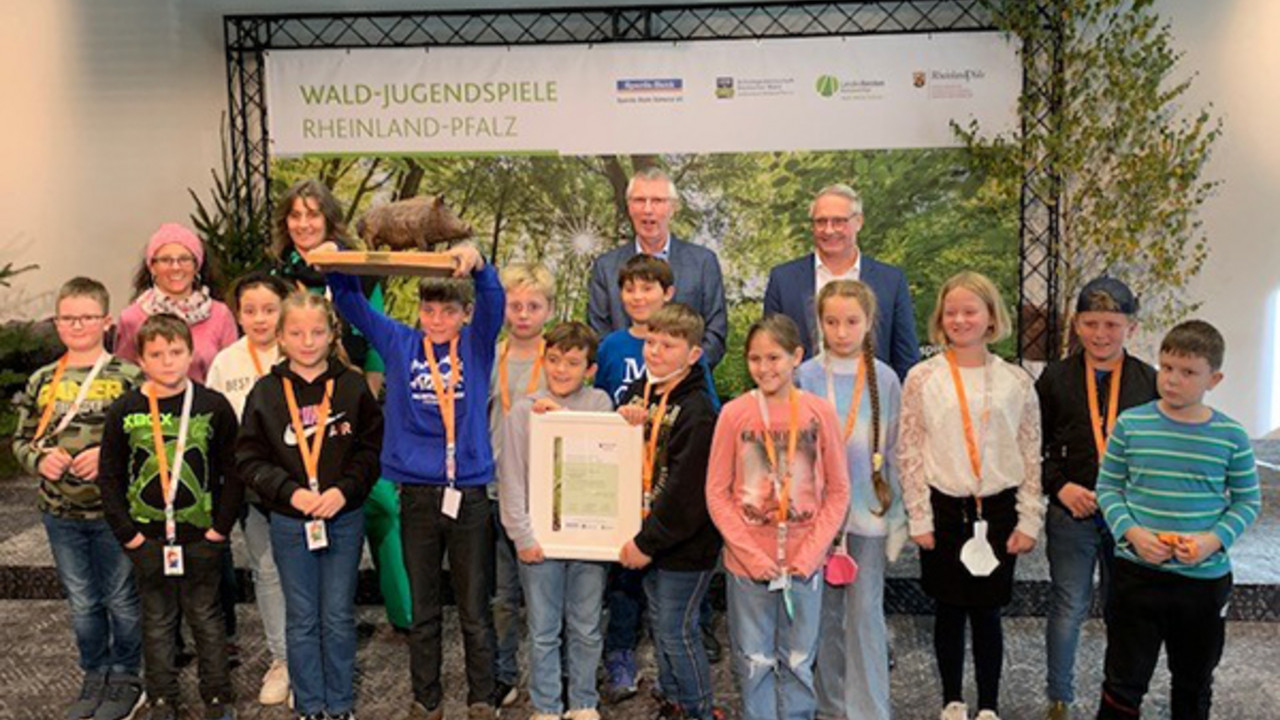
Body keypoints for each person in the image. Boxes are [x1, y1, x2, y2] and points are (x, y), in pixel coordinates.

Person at [322, 242, 503, 720]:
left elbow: (494, 298)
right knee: (424, 610)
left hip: (468, 495)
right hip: (418, 496)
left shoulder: (476, 345)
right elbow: (350, 303)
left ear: (466, 314)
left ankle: (481, 698)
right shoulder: (401, 344)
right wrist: (336, 262)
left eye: (448, 311)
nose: (437, 319)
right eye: (428, 309)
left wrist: (479, 263)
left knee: (473, 610)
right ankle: (426, 699)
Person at [1095, 320, 1261, 720]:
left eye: (1188, 372)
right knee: (1122, 683)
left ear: (1214, 379)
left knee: (1193, 682)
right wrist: (1133, 533)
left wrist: (1211, 541)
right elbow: (1108, 489)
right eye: (1167, 367)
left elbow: (1246, 501)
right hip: (1137, 574)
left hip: (1202, 582)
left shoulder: (1231, 436)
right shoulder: (1131, 425)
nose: (1172, 380)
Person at [898, 271, 1043, 720]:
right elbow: (910, 451)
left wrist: (1028, 519)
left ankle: (990, 706)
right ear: (941, 318)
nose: (960, 319)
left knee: (987, 613)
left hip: (998, 511)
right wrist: (918, 518)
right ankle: (952, 701)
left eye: (970, 311)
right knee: (948, 610)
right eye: (952, 311)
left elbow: (1029, 451)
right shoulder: (923, 378)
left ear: (990, 317)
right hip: (944, 509)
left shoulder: (1016, 381)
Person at [237, 291, 384, 720]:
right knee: (301, 617)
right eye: (296, 333)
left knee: (338, 615)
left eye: (317, 332)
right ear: (280, 337)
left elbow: (370, 450)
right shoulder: (266, 392)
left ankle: (339, 706)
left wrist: (344, 491)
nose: (307, 341)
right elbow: (248, 458)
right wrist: (290, 492)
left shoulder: (352, 386)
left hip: (343, 515)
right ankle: (311, 705)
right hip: (289, 519)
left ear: (331, 333)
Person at [271, 179, 410, 633]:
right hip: (294, 413)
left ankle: (405, 615)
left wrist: (364, 397)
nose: (304, 223)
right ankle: (327, 621)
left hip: (353, 404)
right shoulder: (275, 276)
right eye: (296, 215)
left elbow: (374, 339)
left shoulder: (356, 269)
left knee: (382, 505)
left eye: (313, 214)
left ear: (330, 219)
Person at [11, 277, 145, 720]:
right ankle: (94, 672)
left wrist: (108, 457)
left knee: (122, 596)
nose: (78, 325)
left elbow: (148, 439)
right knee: (83, 599)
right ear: (56, 322)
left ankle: (128, 674)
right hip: (60, 512)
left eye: (88, 317)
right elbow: (22, 439)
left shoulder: (130, 376)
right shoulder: (42, 380)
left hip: (115, 513)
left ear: (107, 321)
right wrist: (37, 460)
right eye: (68, 318)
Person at [706, 313, 850, 720]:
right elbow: (717, 493)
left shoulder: (818, 413)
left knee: (800, 659)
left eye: (774, 357)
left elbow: (838, 492)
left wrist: (810, 553)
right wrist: (750, 554)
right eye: (755, 359)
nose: (765, 368)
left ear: (796, 357)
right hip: (748, 563)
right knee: (754, 660)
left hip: (806, 561)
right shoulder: (734, 414)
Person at [99, 314, 243, 720]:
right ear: (141, 359)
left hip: (201, 534)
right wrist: (130, 538)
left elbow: (233, 473)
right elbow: (109, 478)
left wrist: (219, 531)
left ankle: (217, 695)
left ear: (190, 353)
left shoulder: (212, 406)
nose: (167, 362)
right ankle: (162, 696)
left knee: (206, 616)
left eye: (176, 352)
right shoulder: (125, 409)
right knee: (158, 619)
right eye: (157, 354)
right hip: (146, 537)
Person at [1036, 278, 1157, 720]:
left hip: (1130, 518)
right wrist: (1059, 486)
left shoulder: (1150, 382)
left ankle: (1120, 698)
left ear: (1131, 326)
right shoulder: (1055, 378)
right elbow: (1035, 445)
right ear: (1076, 324)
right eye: (1091, 323)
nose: (1101, 334)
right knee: (1068, 604)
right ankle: (1059, 698)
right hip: (1073, 510)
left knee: (1123, 608)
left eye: (1111, 324)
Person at [797, 280, 904, 720]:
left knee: (864, 618)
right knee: (821, 619)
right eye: (832, 322)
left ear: (869, 323)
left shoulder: (885, 378)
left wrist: (898, 518)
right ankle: (829, 706)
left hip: (867, 519)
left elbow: (895, 450)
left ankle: (869, 710)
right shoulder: (803, 376)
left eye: (852, 322)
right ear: (819, 323)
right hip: (816, 522)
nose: (841, 332)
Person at [498, 321, 614, 720]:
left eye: (572, 362)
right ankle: (547, 706)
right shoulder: (523, 412)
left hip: (589, 539)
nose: (561, 370)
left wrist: (559, 418)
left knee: (585, 625)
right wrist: (521, 534)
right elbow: (511, 478)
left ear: (590, 369)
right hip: (539, 540)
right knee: (544, 629)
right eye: (554, 360)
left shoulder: (601, 404)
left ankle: (583, 702)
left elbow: (602, 461)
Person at [616, 303, 723, 720]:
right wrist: (623, 420)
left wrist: (647, 541)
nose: (655, 351)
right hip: (649, 536)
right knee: (662, 627)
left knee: (678, 631)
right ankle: (675, 700)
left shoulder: (697, 411)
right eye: (651, 341)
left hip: (684, 546)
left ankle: (699, 709)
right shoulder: (639, 393)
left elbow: (685, 495)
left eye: (668, 344)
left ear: (694, 355)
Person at [205, 272, 294, 706]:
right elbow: (219, 432)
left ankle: (313, 660)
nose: (260, 319)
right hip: (253, 490)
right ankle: (282, 660)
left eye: (269, 309)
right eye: (250, 311)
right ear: (237, 315)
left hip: (303, 487)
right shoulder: (226, 362)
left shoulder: (301, 350)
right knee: (268, 571)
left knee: (310, 572)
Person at [763, 184, 919, 378]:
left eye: (839, 221)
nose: (829, 230)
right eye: (821, 221)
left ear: (859, 222)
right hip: (801, 401)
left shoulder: (891, 281)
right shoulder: (783, 280)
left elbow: (906, 359)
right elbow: (768, 354)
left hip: (874, 401)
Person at [487, 263, 555, 707]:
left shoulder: (561, 359)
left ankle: (554, 677)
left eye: (534, 306)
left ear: (549, 309)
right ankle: (504, 673)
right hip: (495, 488)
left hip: (547, 492)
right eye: (515, 305)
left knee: (548, 596)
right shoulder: (488, 356)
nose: (524, 314)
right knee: (503, 593)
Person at [587, 167, 728, 368]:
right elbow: (597, 332)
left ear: (673, 208)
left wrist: (682, 373)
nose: (647, 209)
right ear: (629, 207)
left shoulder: (703, 262)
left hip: (687, 387)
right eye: (639, 200)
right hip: (622, 386)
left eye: (658, 201)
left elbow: (716, 331)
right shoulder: (606, 266)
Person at [116, 223, 237, 384]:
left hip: (209, 406)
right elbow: (125, 377)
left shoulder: (220, 315)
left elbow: (230, 375)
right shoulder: (131, 318)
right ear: (152, 267)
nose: (175, 267)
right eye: (166, 260)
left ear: (197, 265)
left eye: (184, 259)